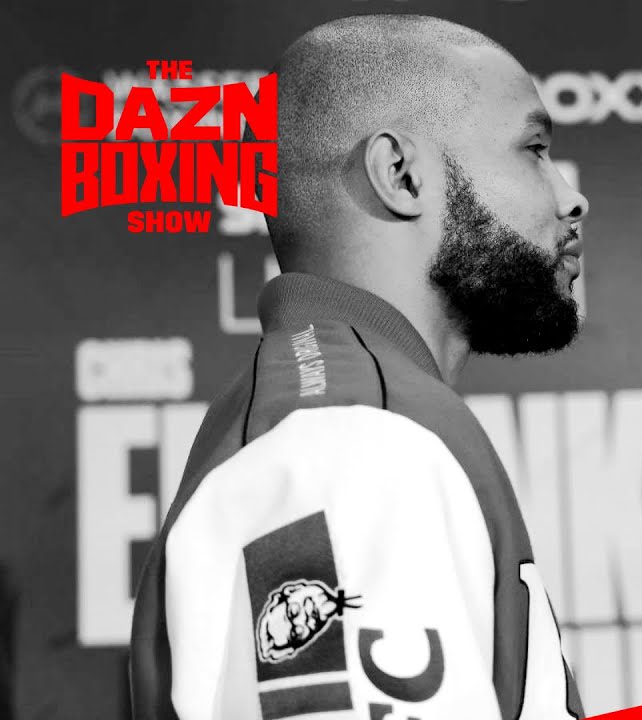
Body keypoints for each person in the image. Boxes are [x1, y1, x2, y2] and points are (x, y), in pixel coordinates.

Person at [130, 15, 588, 719]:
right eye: (533, 150)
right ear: (400, 175)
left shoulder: (336, 413)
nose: (570, 197)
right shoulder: (352, 439)